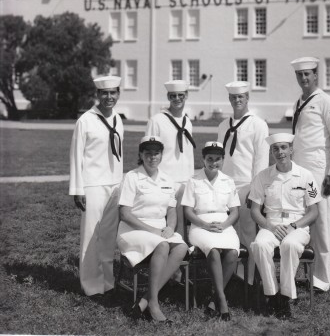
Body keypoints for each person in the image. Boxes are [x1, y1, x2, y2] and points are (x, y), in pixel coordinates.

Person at [249, 133, 323, 318]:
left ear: (291, 150)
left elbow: (313, 212)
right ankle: (272, 294)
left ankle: (285, 297)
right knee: (260, 245)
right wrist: (271, 227)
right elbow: (255, 211)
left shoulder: (306, 176)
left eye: (283, 147)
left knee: (290, 245)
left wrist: (294, 226)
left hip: (297, 225)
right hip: (271, 224)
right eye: (275, 148)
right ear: (271, 152)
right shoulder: (263, 176)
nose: (279, 152)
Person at [117, 135, 188, 323]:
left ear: (161, 155)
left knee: (181, 247)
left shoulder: (167, 179)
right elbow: (125, 214)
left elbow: (171, 210)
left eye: (156, 153)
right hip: (132, 230)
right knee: (163, 246)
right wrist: (154, 231)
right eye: (148, 153)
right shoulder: (132, 177)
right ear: (141, 154)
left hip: (159, 231)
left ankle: (143, 301)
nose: (152, 157)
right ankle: (154, 304)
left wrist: (171, 227)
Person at [290, 57, 330, 293]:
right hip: (298, 167)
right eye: (300, 74)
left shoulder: (326, 101)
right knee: (299, 218)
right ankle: (297, 271)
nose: (304, 78)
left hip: (317, 168)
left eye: (308, 74)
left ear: (315, 75)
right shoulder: (299, 102)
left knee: (321, 220)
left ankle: (322, 279)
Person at [69, 75, 123, 297]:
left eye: (113, 92)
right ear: (98, 95)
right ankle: (91, 284)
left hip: (114, 184)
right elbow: (76, 155)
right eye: (104, 93)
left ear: (118, 94)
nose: (109, 97)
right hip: (92, 184)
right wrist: (78, 189)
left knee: (109, 236)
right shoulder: (86, 120)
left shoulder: (118, 118)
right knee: (92, 236)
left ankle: (107, 282)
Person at [217, 81, 269, 284]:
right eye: (233, 97)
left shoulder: (258, 124)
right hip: (227, 185)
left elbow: (261, 160)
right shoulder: (223, 126)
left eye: (241, 97)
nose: (237, 100)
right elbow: (219, 157)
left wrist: (256, 190)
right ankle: (234, 275)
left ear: (247, 98)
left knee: (248, 232)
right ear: (229, 99)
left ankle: (251, 277)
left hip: (248, 184)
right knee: (231, 232)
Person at [181, 142, 240, 321]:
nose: (213, 163)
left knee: (232, 253)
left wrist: (225, 224)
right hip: (200, 225)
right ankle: (222, 300)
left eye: (217, 159)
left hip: (224, 223)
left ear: (223, 160)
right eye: (209, 159)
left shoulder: (228, 181)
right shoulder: (193, 181)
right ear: (203, 159)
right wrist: (205, 225)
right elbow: (188, 211)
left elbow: (235, 211)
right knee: (213, 250)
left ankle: (214, 300)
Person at [145, 80, 195, 240]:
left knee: (186, 219)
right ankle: (174, 251)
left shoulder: (188, 122)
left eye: (181, 95)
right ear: (168, 97)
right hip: (165, 178)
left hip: (185, 178)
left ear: (186, 96)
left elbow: (188, 154)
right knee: (169, 220)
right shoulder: (157, 120)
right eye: (173, 96)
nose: (177, 99)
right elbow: (148, 151)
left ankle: (186, 250)